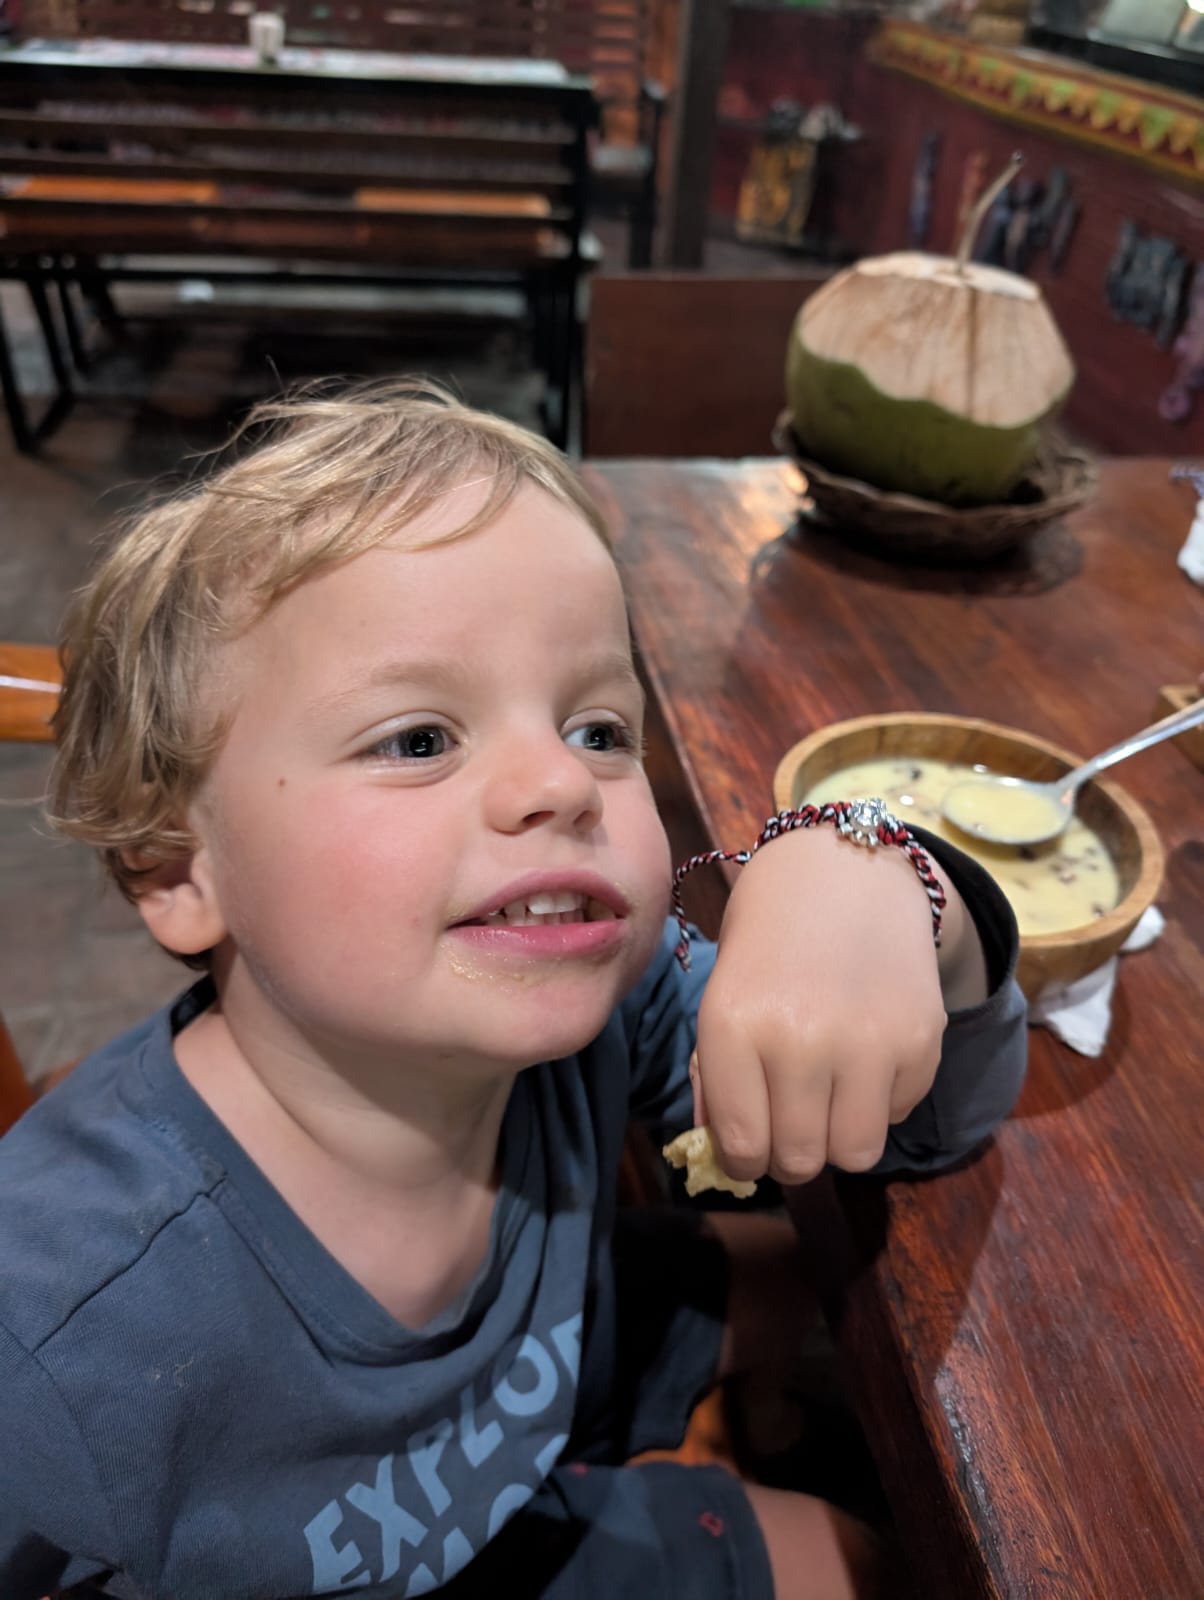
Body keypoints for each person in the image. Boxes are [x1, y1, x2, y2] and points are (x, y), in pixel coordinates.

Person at [0, 382, 1026, 1600]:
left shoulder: (613, 1001)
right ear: (179, 868)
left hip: (523, 1411)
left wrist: (889, 883)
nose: (561, 782)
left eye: (598, 728)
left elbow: (921, 1130)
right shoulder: (58, 1339)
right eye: (418, 739)